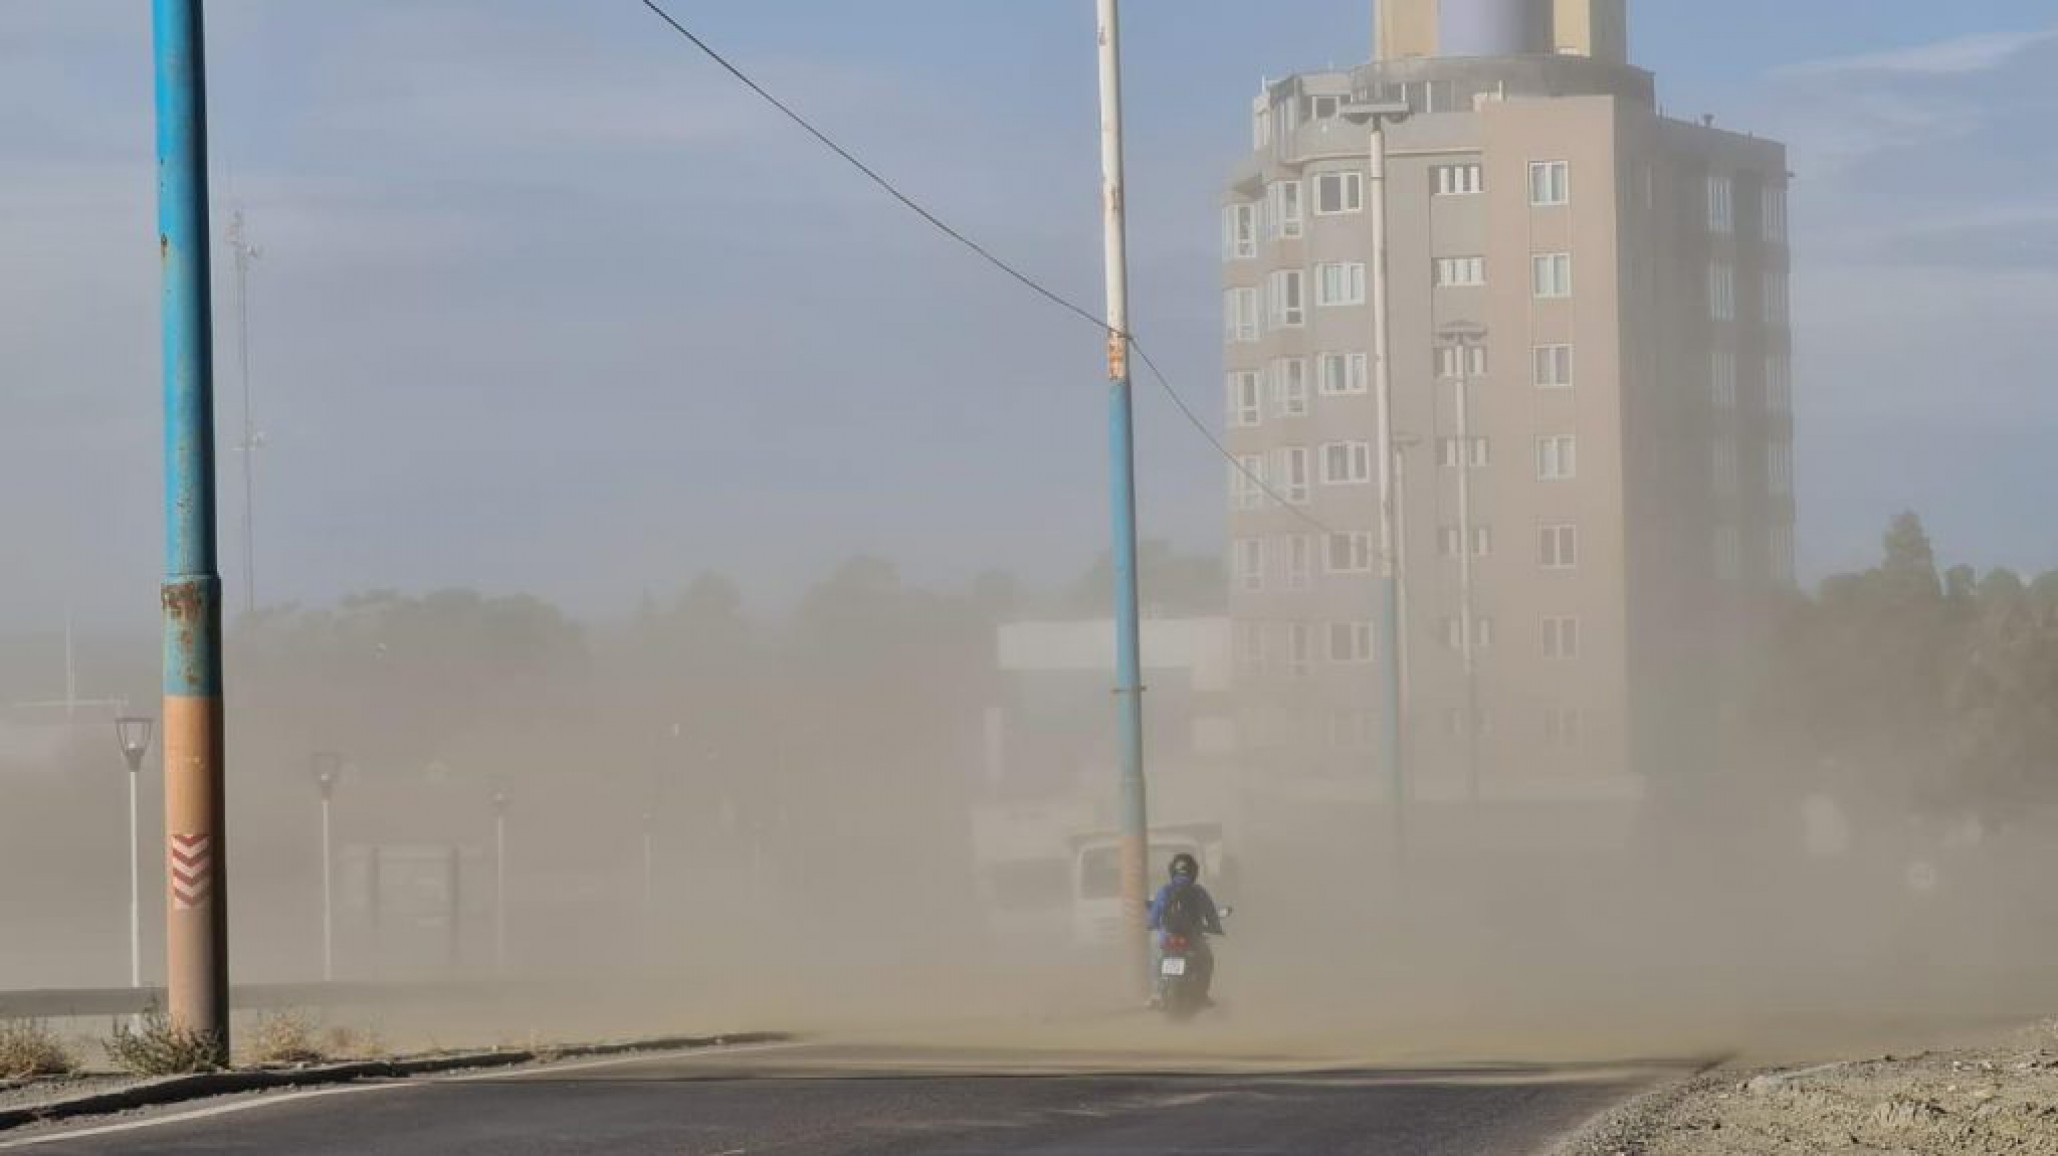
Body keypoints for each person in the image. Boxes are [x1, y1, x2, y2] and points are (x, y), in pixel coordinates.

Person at [1148, 853, 1224, 1006]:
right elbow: (1211, 914)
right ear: (1194, 872)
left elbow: (1154, 914)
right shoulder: (1199, 892)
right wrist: (1216, 927)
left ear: (1172, 871)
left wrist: (1152, 924)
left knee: (1156, 957)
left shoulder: (1164, 891)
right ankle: (1203, 995)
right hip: (1193, 937)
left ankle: (1157, 993)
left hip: (1168, 936)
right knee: (1207, 959)